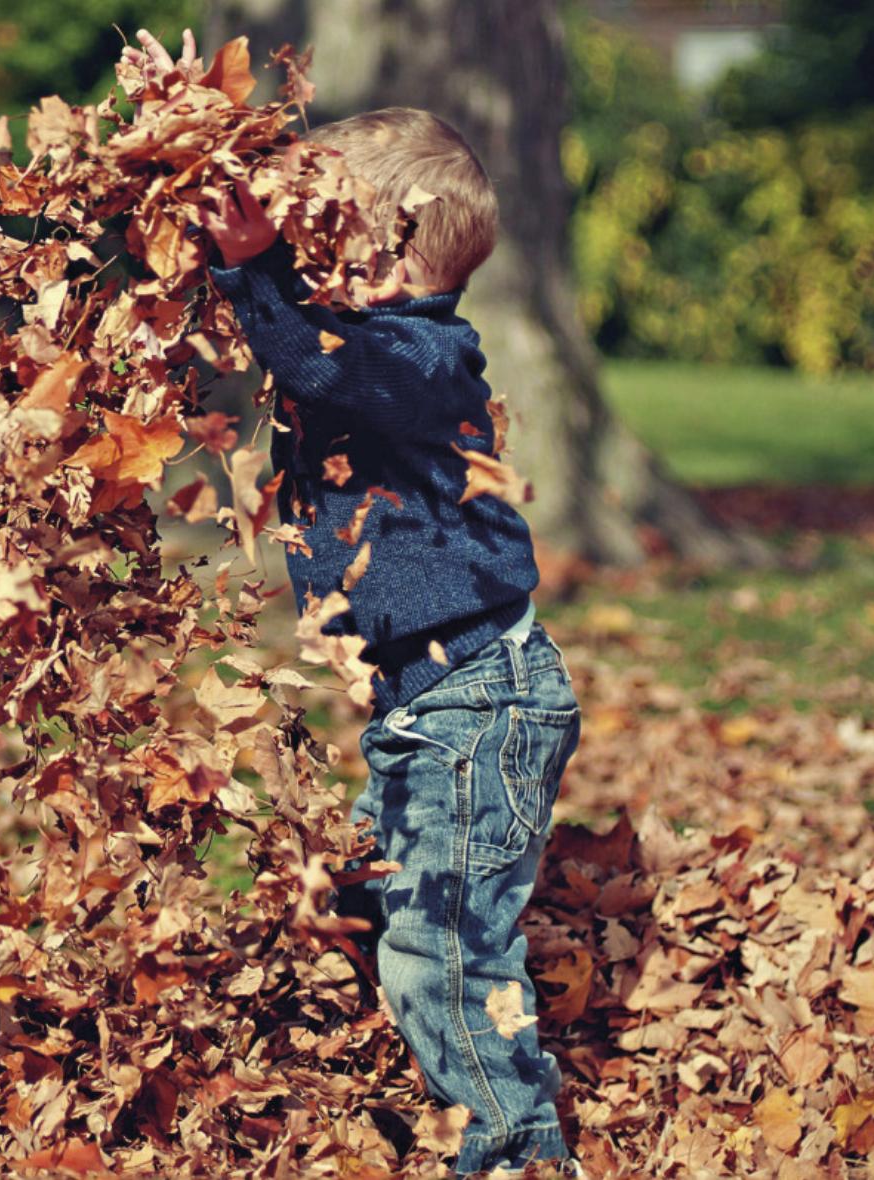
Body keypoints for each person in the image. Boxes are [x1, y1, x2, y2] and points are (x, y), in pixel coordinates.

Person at [128, 29, 586, 1178]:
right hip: (432, 706)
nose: (297, 249)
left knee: (442, 948)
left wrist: (253, 270)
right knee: (403, 917)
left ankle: (519, 1156)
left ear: (382, 256)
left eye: (318, 230)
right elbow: (301, 353)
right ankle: (458, 1099)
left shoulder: (423, 357)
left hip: (481, 702)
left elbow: (322, 362)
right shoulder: (369, 344)